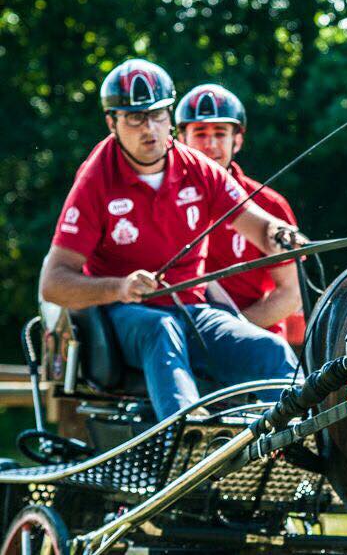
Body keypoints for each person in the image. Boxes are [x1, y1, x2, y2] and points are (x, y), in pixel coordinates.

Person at [39, 59, 301, 420]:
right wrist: (120, 287)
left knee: (270, 351)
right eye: (135, 118)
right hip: (127, 317)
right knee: (161, 330)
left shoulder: (198, 168)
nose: (150, 128)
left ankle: (293, 449)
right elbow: (53, 284)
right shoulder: (96, 178)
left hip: (191, 311)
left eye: (158, 115)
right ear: (111, 122)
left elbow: (259, 226)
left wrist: (283, 237)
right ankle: (188, 436)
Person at [175, 84, 304, 341]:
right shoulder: (161, 199)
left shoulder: (269, 205)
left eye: (220, 133)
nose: (210, 144)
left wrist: (228, 333)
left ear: (238, 140)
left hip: (255, 338)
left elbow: (292, 295)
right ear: (181, 140)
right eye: (200, 133)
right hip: (178, 334)